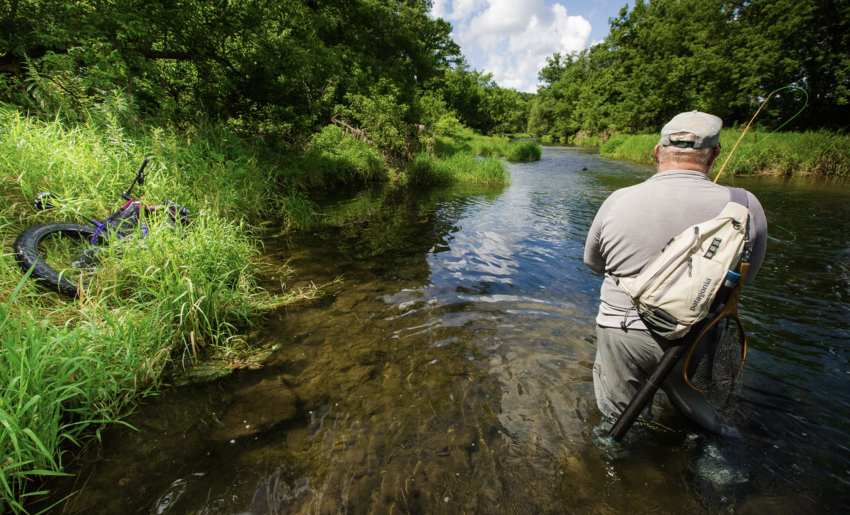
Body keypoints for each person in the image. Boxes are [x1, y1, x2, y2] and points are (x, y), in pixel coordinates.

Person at [583, 111, 768, 434]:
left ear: (657, 151)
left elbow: (594, 263)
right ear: (714, 155)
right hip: (697, 337)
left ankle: (614, 468)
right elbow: (747, 279)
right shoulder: (744, 204)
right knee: (702, 427)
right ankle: (717, 472)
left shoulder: (617, 200)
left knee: (618, 422)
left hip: (621, 328)